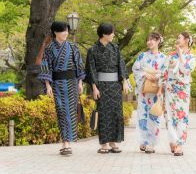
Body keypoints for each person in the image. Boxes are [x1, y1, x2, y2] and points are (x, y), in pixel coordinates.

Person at [38, 21, 85, 155]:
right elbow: (46, 66)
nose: (65, 33)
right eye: (62, 31)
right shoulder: (49, 48)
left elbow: (79, 65)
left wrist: (80, 82)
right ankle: (65, 142)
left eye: (66, 31)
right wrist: (48, 85)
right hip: (57, 84)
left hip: (72, 83)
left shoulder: (73, 46)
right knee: (61, 112)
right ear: (55, 32)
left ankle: (67, 144)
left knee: (70, 112)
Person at [84, 23, 129, 154]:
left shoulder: (115, 48)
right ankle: (104, 144)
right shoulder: (92, 50)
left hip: (115, 86)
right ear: (104, 34)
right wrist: (94, 88)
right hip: (101, 86)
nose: (114, 35)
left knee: (116, 113)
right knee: (103, 114)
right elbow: (91, 70)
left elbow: (121, 65)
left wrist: (125, 81)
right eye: (112, 33)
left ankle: (114, 142)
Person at [158, 32, 196, 156]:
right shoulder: (170, 55)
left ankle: (179, 143)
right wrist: (160, 88)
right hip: (170, 88)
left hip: (182, 90)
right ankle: (172, 141)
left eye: (179, 38)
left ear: (186, 40)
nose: (177, 39)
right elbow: (163, 72)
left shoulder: (192, 57)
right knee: (169, 115)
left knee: (182, 116)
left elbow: (186, 70)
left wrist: (180, 55)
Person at [132, 32, 166, 154]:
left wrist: (158, 77)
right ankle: (143, 141)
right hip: (144, 91)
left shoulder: (163, 58)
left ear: (158, 41)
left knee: (154, 116)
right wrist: (144, 74)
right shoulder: (142, 56)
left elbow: (165, 74)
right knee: (142, 115)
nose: (149, 42)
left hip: (156, 91)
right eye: (148, 40)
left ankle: (152, 143)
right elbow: (135, 69)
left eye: (152, 40)